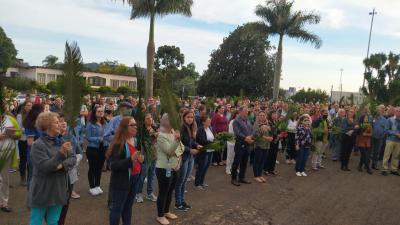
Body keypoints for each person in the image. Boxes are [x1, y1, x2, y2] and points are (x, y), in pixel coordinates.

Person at [28, 112, 76, 225]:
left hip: (58, 188)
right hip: (42, 189)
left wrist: (61, 165)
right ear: (47, 125)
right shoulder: (38, 145)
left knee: (54, 221)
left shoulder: (61, 141)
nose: (60, 124)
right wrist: (61, 153)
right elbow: (45, 167)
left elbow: (73, 158)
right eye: (56, 122)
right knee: (36, 221)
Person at [106, 116, 144, 225]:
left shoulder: (135, 140)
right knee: (117, 209)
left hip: (135, 178)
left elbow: (138, 158)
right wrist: (130, 159)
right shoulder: (119, 143)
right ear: (124, 127)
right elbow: (113, 165)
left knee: (128, 207)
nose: (136, 127)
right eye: (133, 125)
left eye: (136, 125)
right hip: (122, 181)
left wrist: (142, 159)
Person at [155, 114, 184, 225]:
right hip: (163, 168)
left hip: (175, 166)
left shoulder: (172, 132)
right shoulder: (161, 135)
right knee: (163, 192)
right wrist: (177, 140)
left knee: (170, 190)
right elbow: (169, 151)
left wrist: (178, 160)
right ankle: (160, 215)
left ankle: (166, 211)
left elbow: (181, 148)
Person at [175, 110, 201, 211]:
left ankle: (182, 200)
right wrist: (190, 150)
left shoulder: (191, 127)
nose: (190, 119)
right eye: (188, 117)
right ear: (184, 117)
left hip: (190, 157)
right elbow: (178, 145)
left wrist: (196, 145)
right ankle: (178, 203)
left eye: (192, 117)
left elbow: (192, 141)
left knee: (185, 180)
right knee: (180, 181)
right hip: (183, 158)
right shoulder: (181, 128)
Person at [0, 113, 21, 212]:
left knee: (4, 180)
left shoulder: (10, 119)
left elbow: (19, 134)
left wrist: (13, 135)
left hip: (7, 155)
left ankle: (4, 203)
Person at [136, 113, 158, 203]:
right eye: (147, 118)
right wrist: (140, 154)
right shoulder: (141, 130)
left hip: (154, 155)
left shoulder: (155, 128)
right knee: (142, 176)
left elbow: (156, 141)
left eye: (151, 118)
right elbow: (139, 143)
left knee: (152, 175)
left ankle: (149, 193)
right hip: (145, 155)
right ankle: (138, 193)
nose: (150, 119)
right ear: (144, 120)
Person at [86, 105, 107, 196]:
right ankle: (92, 187)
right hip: (92, 149)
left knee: (99, 167)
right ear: (94, 113)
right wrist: (99, 139)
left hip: (102, 148)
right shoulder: (90, 124)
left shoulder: (105, 123)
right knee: (92, 168)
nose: (101, 112)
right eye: (98, 111)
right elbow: (88, 137)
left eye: (102, 111)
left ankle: (97, 185)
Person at [231, 106, 254, 186]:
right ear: (240, 112)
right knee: (237, 161)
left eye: (247, 111)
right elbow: (237, 132)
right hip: (240, 144)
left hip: (247, 144)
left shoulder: (247, 120)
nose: (247, 112)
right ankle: (233, 179)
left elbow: (251, 130)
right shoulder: (236, 121)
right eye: (245, 111)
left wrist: (251, 137)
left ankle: (242, 177)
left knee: (244, 161)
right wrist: (245, 138)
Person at [23, 104, 44, 189]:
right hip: (33, 155)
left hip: (38, 154)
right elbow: (30, 143)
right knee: (32, 177)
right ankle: (31, 198)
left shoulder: (37, 123)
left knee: (35, 177)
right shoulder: (31, 125)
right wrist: (44, 143)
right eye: (42, 111)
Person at [195, 115, 214, 190]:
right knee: (201, 167)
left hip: (210, 150)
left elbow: (212, 137)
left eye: (210, 121)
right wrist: (211, 143)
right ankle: (197, 183)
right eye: (208, 121)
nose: (209, 122)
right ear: (203, 122)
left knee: (206, 167)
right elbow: (201, 140)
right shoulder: (200, 129)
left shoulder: (209, 128)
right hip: (204, 151)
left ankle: (202, 181)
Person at [253, 111, 272, 183]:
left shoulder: (268, 123)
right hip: (259, 145)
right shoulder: (256, 124)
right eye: (260, 115)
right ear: (258, 116)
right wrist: (266, 138)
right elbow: (255, 134)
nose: (262, 116)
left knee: (262, 161)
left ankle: (260, 175)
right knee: (257, 160)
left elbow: (271, 132)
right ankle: (256, 176)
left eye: (263, 115)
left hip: (266, 145)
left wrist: (271, 137)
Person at [16, 101, 32, 186]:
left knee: (30, 160)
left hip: (31, 140)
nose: (30, 107)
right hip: (23, 140)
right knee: (23, 160)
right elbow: (19, 128)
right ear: (24, 106)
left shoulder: (33, 115)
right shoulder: (19, 115)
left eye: (31, 105)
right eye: (28, 105)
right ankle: (23, 178)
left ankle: (30, 178)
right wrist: (28, 129)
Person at [381, 107, 400, 176]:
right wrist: (395, 133)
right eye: (397, 111)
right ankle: (384, 169)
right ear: (395, 112)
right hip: (390, 140)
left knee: (396, 155)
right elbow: (386, 130)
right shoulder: (390, 119)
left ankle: (394, 169)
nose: (399, 112)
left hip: (398, 141)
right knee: (387, 155)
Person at [371, 105, 387, 169]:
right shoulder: (373, 117)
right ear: (378, 109)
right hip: (372, 136)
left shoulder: (384, 119)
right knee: (370, 151)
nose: (383, 109)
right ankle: (367, 164)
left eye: (384, 108)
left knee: (377, 151)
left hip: (380, 138)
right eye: (382, 108)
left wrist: (382, 135)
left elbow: (385, 129)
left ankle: (374, 164)